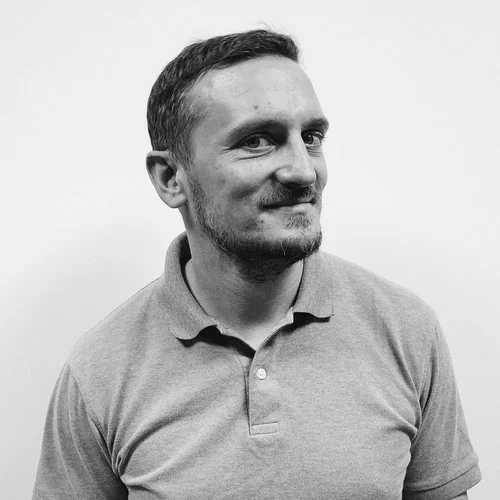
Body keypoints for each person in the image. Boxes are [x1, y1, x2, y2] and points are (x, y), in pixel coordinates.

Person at [32, 29, 481, 499]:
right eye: (257, 140)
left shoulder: (407, 331)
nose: (303, 171)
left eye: (311, 138)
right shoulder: (100, 371)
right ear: (170, 178)